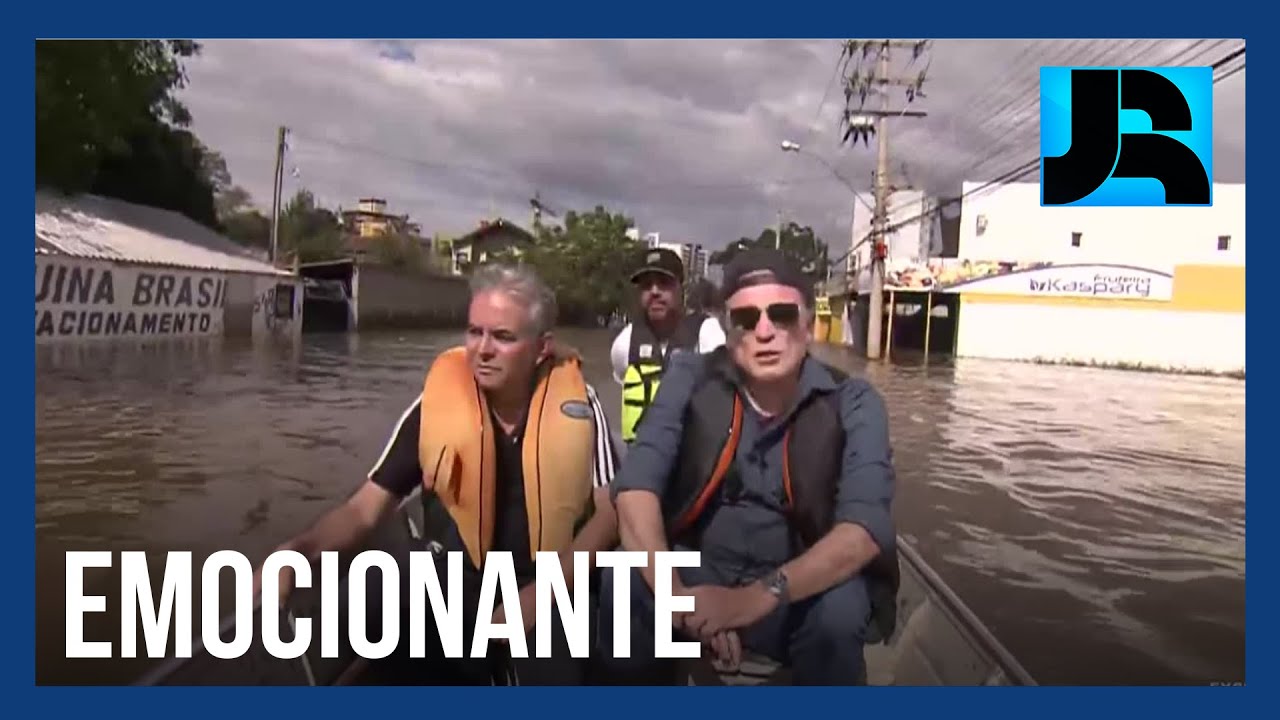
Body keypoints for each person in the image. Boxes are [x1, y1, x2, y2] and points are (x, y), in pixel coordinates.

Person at [253, 263, 621, 685]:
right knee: (387, 608)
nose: (482, 349)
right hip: (451, 587)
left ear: (541, 348)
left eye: (502, 337)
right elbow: (363, 511)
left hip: (544, 585)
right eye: (474, 332)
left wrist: (543, 594)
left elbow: (610, 513)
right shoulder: (436, 408)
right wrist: (298, 552)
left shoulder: (579, 405)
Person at [600, 248, 899, 686]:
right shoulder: (688, 376)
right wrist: (679, 601)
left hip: (795, 587)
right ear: (728, 332)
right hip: (697, 574)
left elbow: (865, 530)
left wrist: (744, 603)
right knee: (625, 573)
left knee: (843, 609)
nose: (764, 332)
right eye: (746, 319)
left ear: (809, 326)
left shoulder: (855, 402)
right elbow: (635, 488)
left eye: (781, 315)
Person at [611, 247, 726, 443]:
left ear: (682, 289)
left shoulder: (707, 334)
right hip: (641, 457)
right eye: (646, 286)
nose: (654, 292)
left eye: (664, 283)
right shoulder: (625, 342)